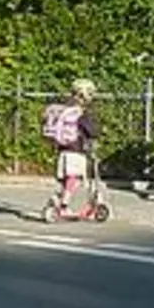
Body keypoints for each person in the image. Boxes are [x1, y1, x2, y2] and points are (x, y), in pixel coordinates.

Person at [43, 78, 100, 212]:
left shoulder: (65, 109)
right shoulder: (79, 112)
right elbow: (91, 131)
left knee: (66, 178)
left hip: (62, 148)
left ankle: (58, 197)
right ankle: (63, 204)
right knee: (76, 178)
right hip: (76, 149)